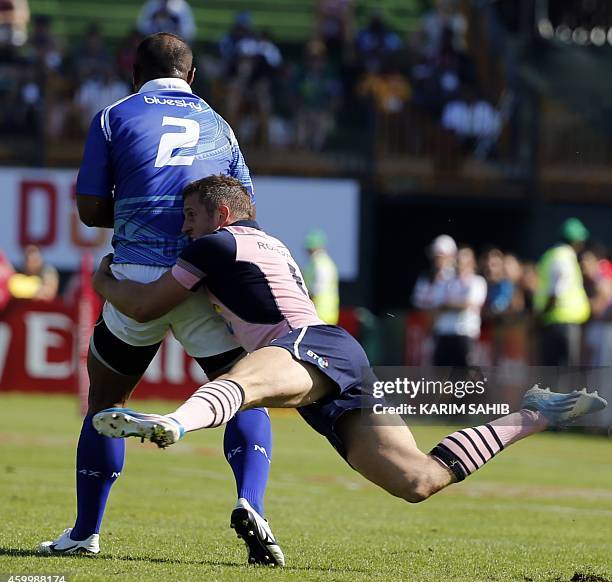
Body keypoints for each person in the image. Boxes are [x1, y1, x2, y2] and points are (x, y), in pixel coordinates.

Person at [91, 175, 605, 532]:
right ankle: (533, 416)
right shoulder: (265, 243)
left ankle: (174, 425)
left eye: (190, 216)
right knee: (419, 480)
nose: (184, 228)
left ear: (222, 214)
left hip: (303, 345)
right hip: (337, 351)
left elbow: (142, 307)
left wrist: (103, 277)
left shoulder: (215, 245)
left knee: (245, 384)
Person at [39, 33, 282, 566]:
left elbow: (88, 208)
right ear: (191, 78)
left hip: (138, 274)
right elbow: (244, 210)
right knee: (244, 390)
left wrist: (132, 214)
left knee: (106, 400)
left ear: (134, 74)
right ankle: (251, 501)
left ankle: (85, 532)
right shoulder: (220, 124)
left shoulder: (113, 116)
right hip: (207, 274)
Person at [534, 218, 591, 366]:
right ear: (577, 241)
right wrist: (543, 315)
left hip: (556, 322)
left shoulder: (554, 255)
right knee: (564, 374)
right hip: (562, 325)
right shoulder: (563, 257)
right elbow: (556, 290)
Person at [432, 246, 487, 367]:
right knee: (443, 376)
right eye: (458, 259)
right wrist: (457, 303)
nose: (460, 263)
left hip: (465, 334)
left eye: (464, 259)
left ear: (472, 262)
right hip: (444, 333)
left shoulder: (478, 281)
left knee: (464, 375)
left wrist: (449, 303)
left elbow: (468, 303)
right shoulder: (445, 280)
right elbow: (437, 304)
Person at [303, 229, 339, 325]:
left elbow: (316, 289)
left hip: (319, 313)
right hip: (327, 313)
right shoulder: (324, 262)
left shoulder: (319, 264)